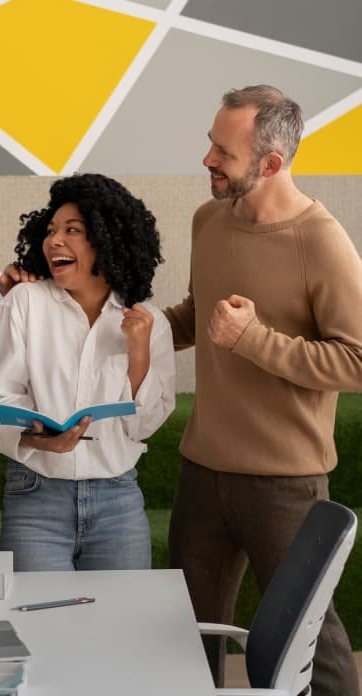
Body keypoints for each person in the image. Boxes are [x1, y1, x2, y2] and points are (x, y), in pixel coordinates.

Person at [164, 85, 362, 694]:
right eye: (211, 145)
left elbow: (356, 361)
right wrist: (135, 329)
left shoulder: (320, 240)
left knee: (313, 647)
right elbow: (199, 315)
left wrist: (254, 339)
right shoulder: (207, 220)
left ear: (271, 163)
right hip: (202, 472)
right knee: (181, 638)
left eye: (223, 153)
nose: (208, 160)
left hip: (285, 483)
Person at [0, 173, 175, 571]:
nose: (54, 241)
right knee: (38, 613)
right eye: (51, 231)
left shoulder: (149, 322)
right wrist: (39, 439)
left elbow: (144, 426)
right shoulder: (24, 303)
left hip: (118, 500)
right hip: (36, 497)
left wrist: (139, 354)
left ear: (107, 239)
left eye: (72, 230)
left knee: (122, 612)